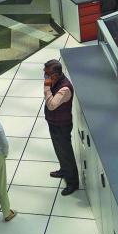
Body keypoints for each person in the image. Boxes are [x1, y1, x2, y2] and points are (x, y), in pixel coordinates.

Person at [43, 60, 79, 196]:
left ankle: (73, 182)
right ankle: (64, 170)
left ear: (55, 75)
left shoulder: (65, 88)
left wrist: (46, 88)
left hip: (62, 124)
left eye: (47, 74)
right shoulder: (54, 81)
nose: (45, 77)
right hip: (54, 122)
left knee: (66, 153)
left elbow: (51, 105)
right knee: (59, 149)